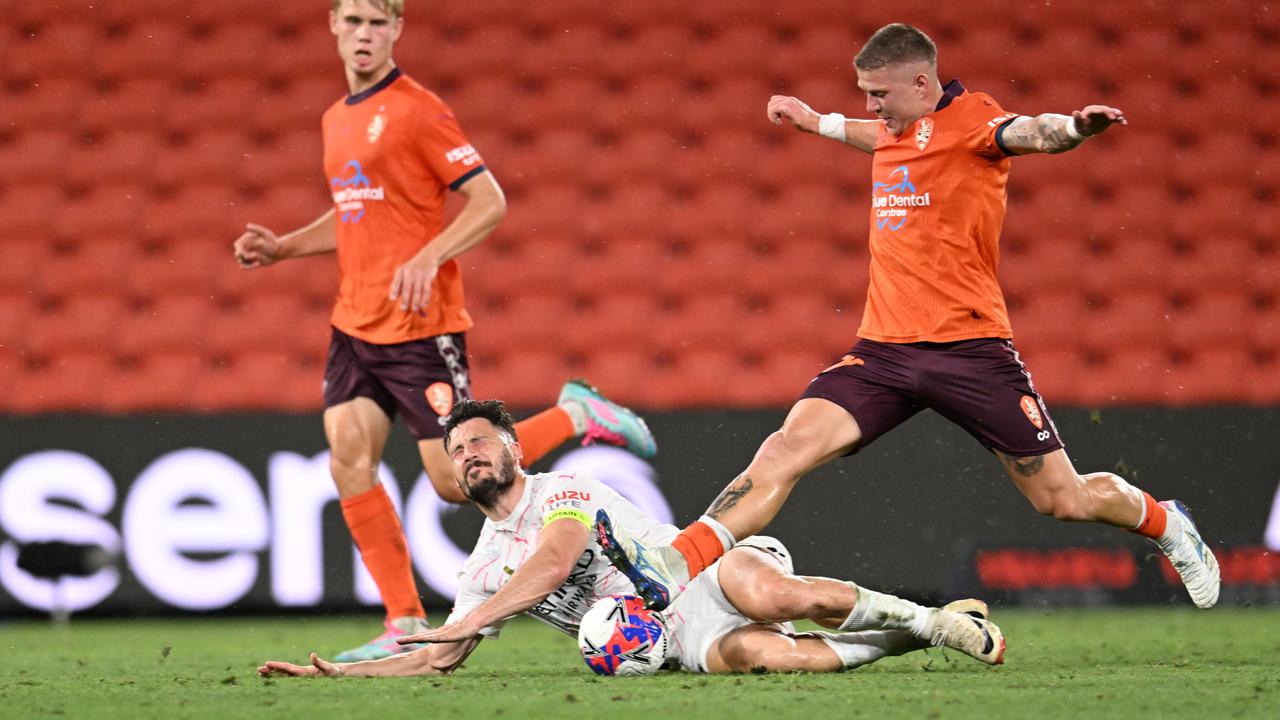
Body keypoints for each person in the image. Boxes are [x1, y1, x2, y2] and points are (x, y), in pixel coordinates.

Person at [595, 22, 1219, 613]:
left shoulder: (973, 121)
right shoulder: (900, 130)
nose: (871, 106)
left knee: (1062, 498)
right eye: (864, 94)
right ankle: (674, 565)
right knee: (786, 449)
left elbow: (1031, 132)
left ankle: (1167, 521)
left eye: (879, 94)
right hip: (884, 353)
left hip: (971, 350)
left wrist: (1075, 127)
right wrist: (817, 122)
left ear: (922, 84)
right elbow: (881, 138)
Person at [231, 0, 656, 662]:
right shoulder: (336, 118)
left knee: (454, 483)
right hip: (354, 323)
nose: (364, 34)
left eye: (377, 22)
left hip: (419, 326)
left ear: (397, 29)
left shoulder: (419, 111)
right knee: (348, 462)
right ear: (333, 25)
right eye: (353, 21)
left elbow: (489, 200)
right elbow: (353, 214)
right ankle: (401, 619)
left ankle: (577, 413)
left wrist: (429, 257)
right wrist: (284, 247)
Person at [258, 399, 1005, 679]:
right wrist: (341, 678)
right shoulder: (482, 567)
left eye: (481, 442)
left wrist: (472, 619)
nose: (468, 456)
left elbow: (554, 563)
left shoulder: (563, 492)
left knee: (773, 596)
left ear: (516, 449)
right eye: (457, 452)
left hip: (700, 574)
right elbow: (439, 657)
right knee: (774, 657)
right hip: (673, 640)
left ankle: (932, 620)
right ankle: (919, 634)